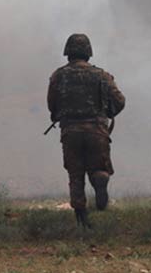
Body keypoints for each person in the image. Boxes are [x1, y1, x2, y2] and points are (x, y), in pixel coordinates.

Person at [47, 34, 125, 228]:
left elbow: (52, 104)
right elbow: (119, 101)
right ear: (88, 52)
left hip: (70, 132)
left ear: (68, 52)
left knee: (75, 174)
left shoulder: (58, 76)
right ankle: (100, 182)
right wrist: (106, 111)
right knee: (98, 167)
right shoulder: (102, 76)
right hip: (96, 130)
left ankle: (82, 219)